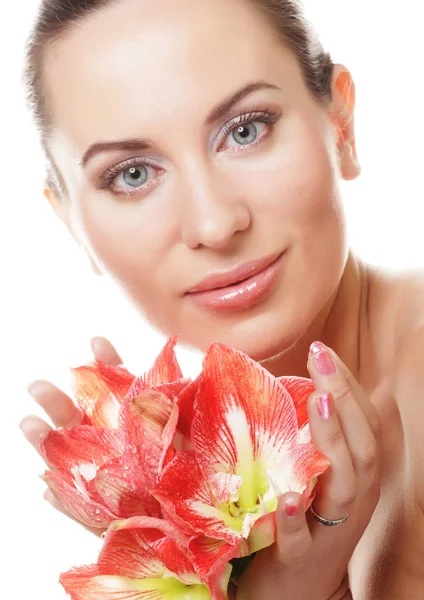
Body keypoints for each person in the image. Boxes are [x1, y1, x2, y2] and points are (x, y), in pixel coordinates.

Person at [18, 0, 424, 598]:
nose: (213, 223)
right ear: (73, 226)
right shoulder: (195, 485)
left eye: (245, 130)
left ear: (341, 122)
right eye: (132, 174)